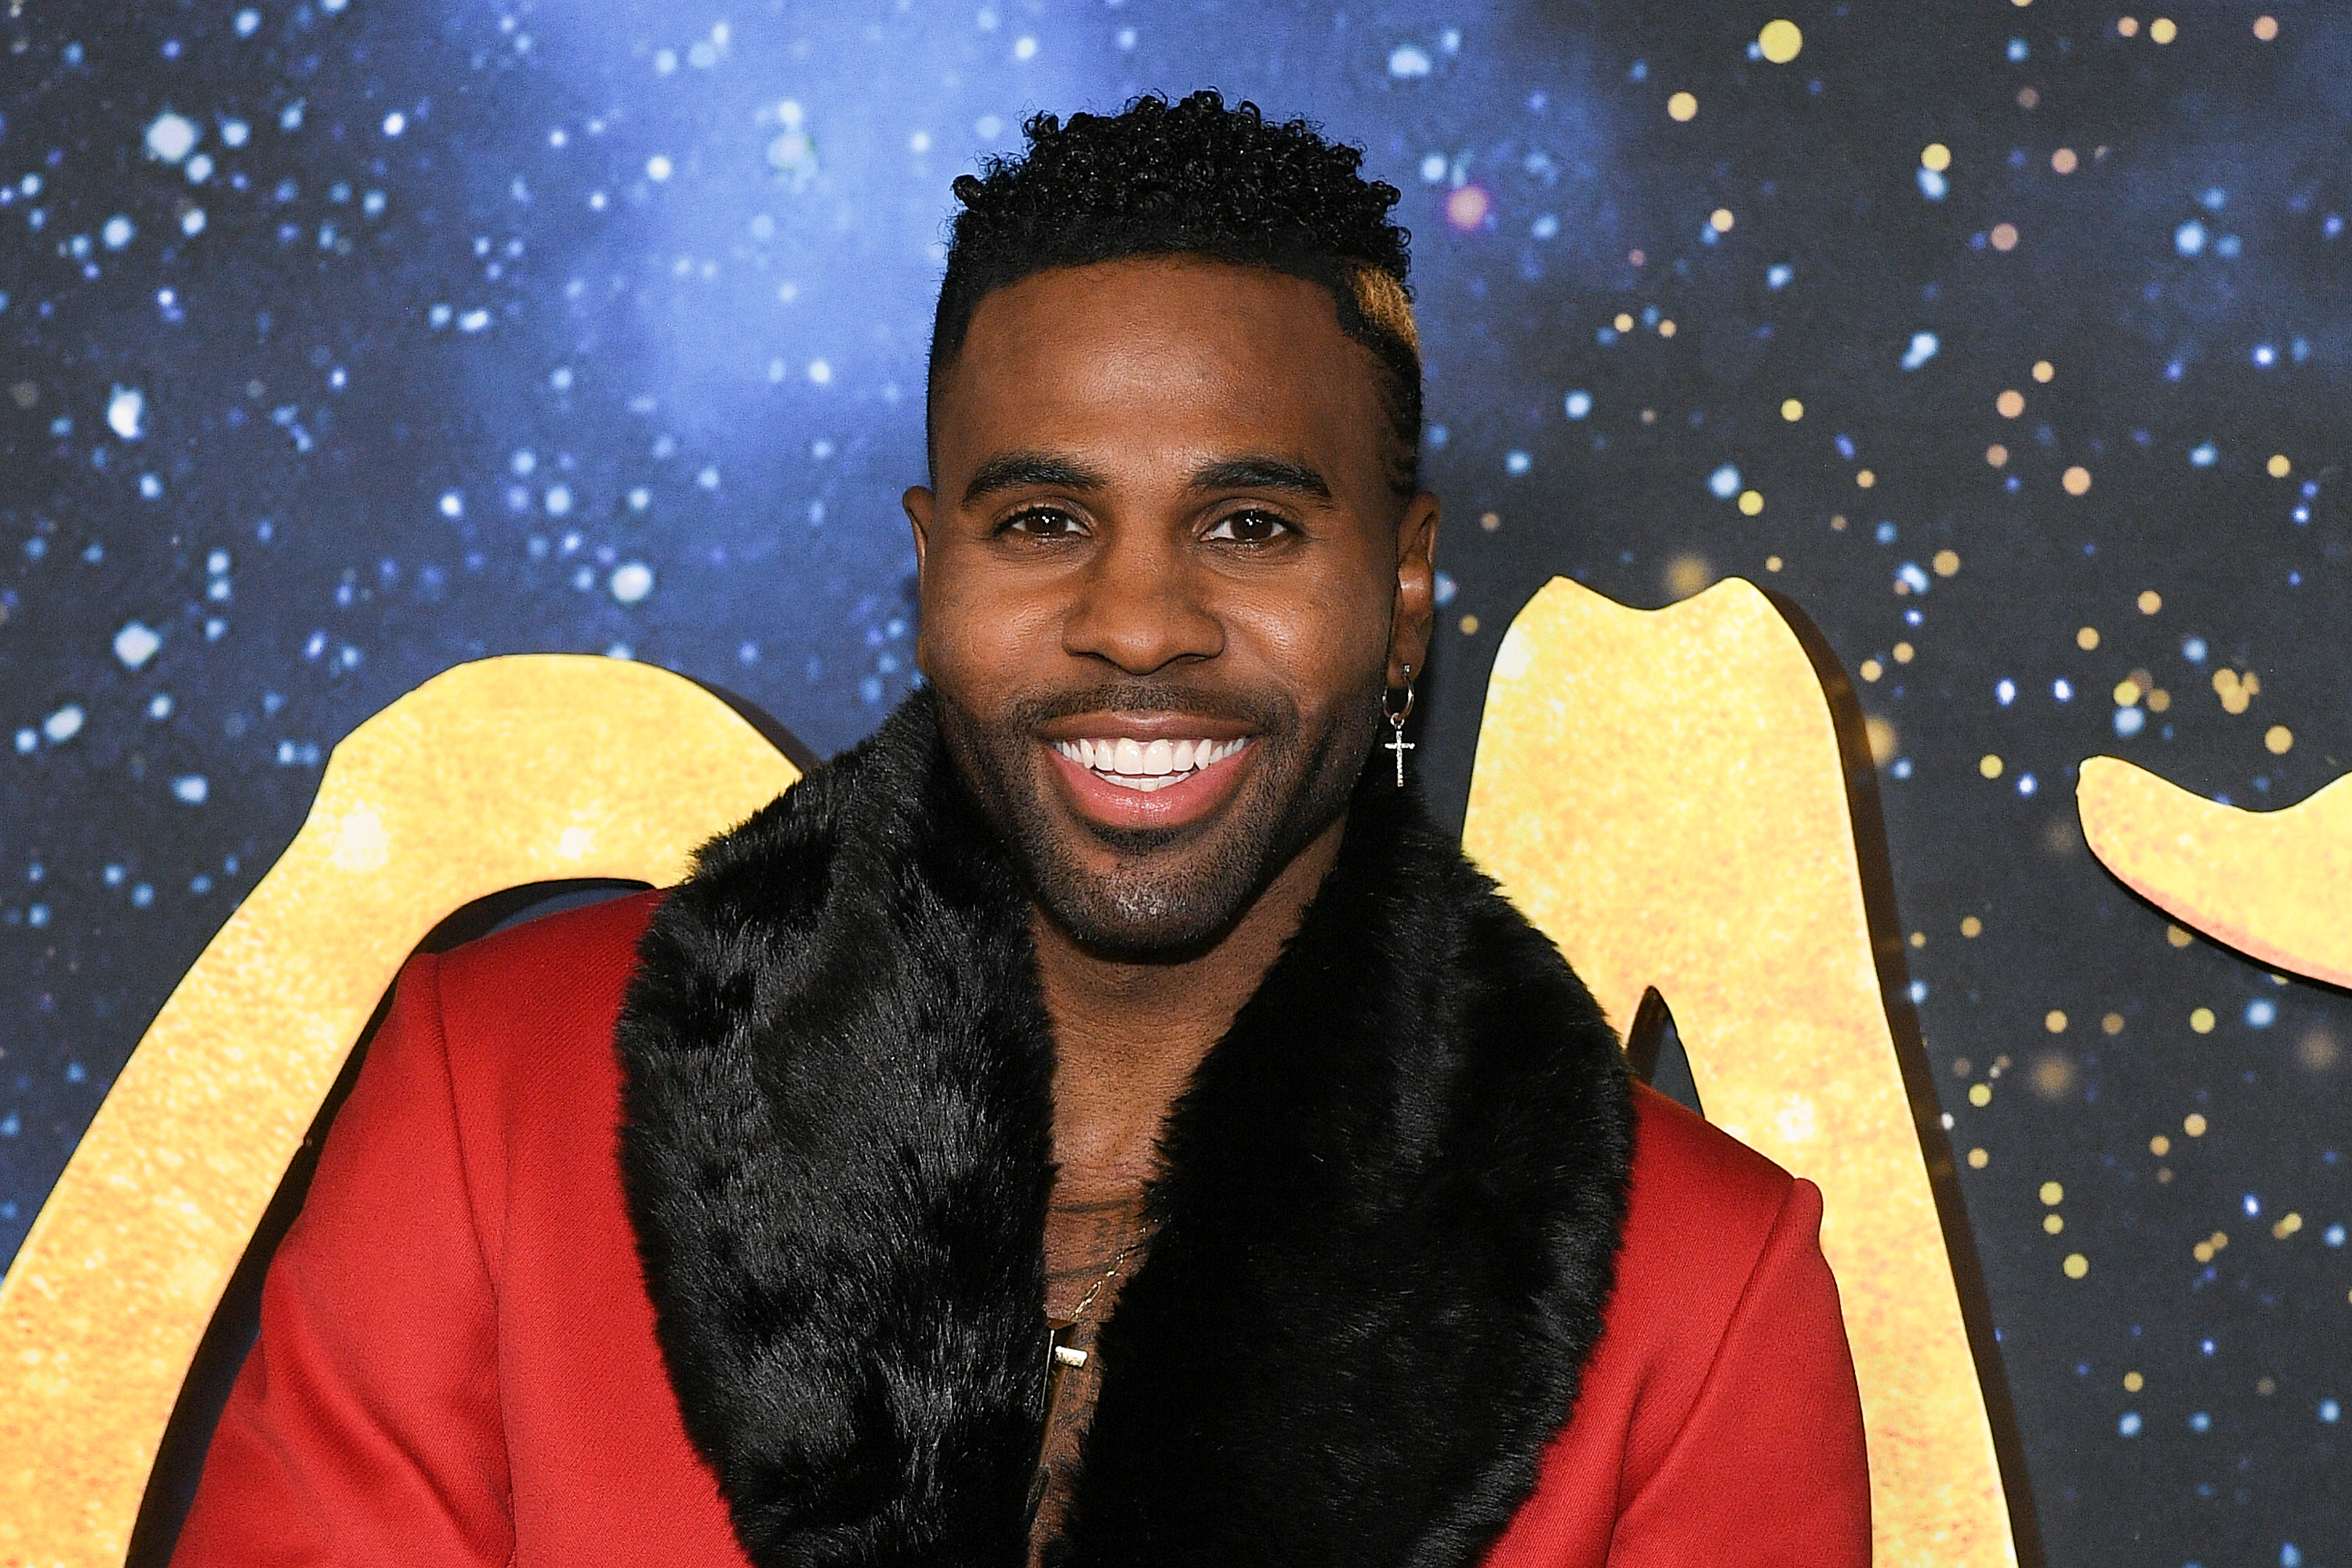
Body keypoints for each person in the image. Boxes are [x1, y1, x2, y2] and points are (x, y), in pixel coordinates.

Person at [172, 91, 1869, 1568]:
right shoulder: (497, 1093)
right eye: (1046, 519)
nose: (1138, 624)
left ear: (1406, 587)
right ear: (932, 570)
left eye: (1251, 524)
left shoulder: (1698, 1292)